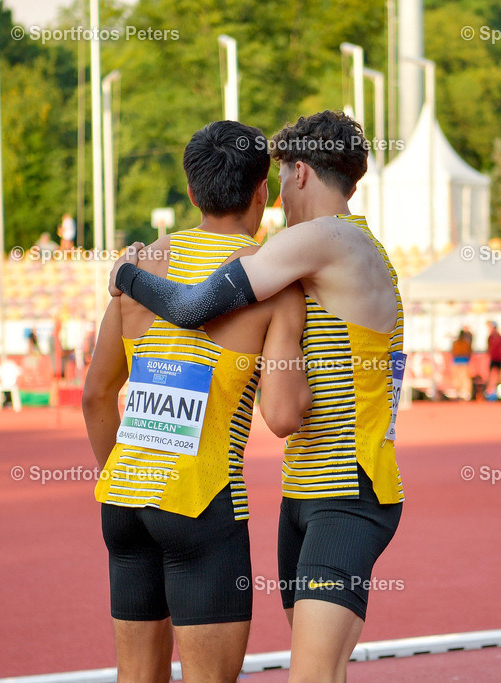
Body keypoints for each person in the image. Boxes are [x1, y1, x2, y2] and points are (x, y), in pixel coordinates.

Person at [110, 110, 405, 682]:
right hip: (307, 492)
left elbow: (196, 309)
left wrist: (127, 274)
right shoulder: (349, 246)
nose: (272, 206)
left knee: (311, 677)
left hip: (348, 495)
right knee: (325, 673)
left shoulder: (324, 237)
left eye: (279, 184)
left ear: (299, 172)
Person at [83, 120, 311, 682]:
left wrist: (129, 470)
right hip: (203, 499)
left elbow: (95, 395)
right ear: (265, 192)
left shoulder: (139, 267)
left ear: (190, 193)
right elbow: (282, 416)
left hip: (126, 497)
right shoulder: (271, 279)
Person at [451, 329, 473, 400]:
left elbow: (453, 352)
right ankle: (463, 392)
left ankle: (463, 392)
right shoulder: (465, 343)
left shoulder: (457, 343)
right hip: (462, 360)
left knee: (461, 377)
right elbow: (469, 352)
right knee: (462, 377)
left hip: (458, 361)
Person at [486, 321, 501, 394]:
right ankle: (489, 390)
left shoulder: (498, 337)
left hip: (498, 357)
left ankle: (499, 390)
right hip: (493, 357)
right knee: (490, 374)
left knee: (499, 375)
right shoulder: (491, 337)